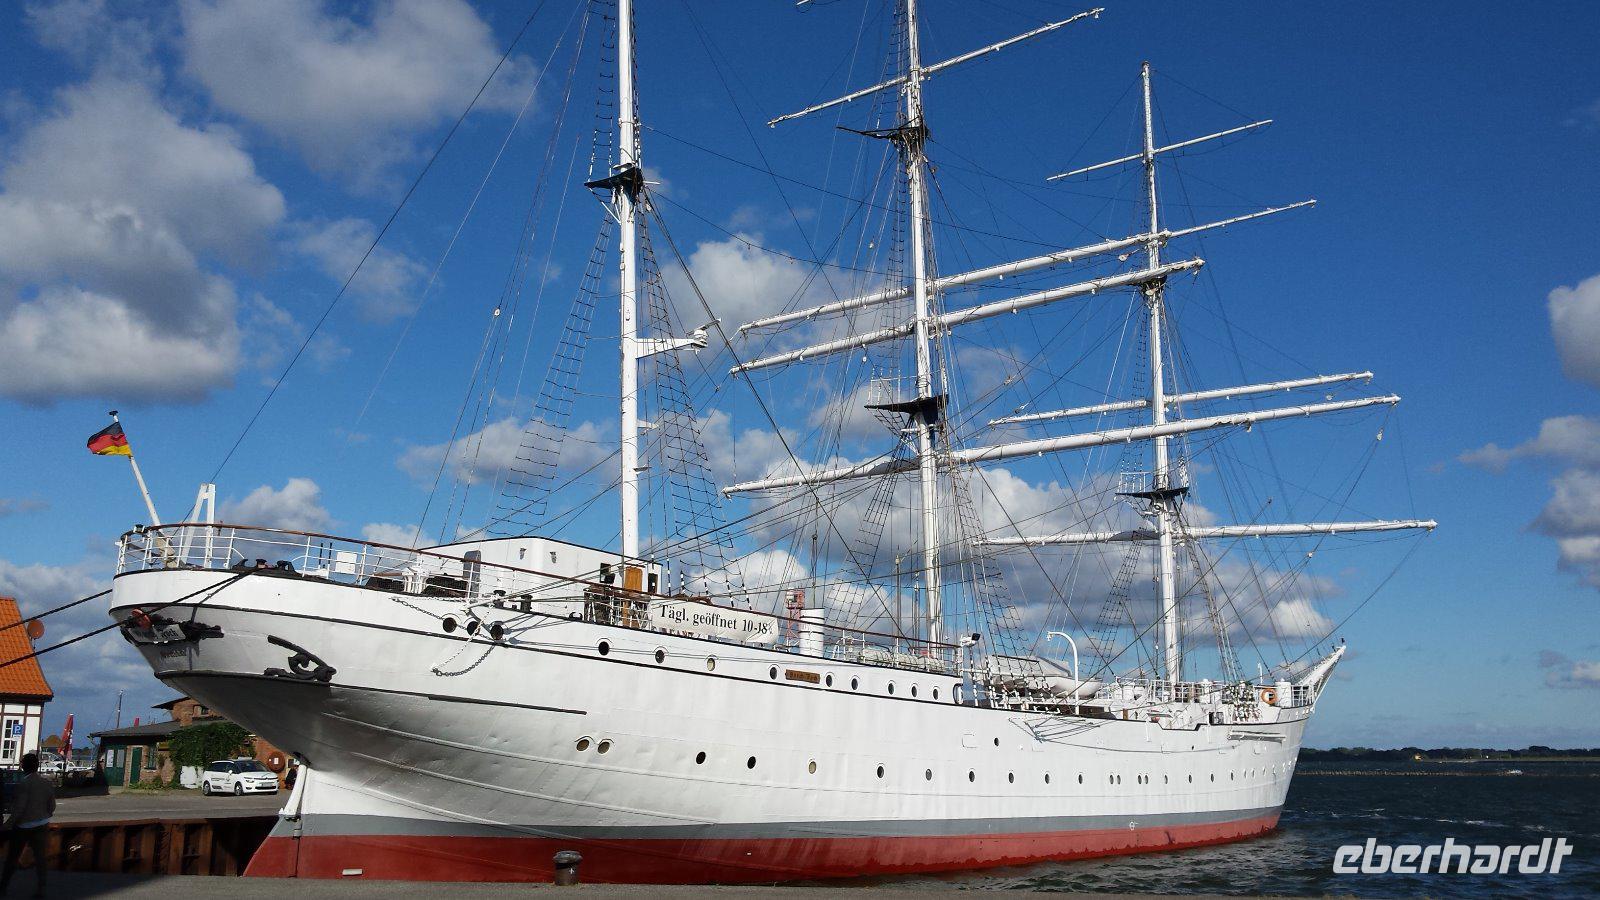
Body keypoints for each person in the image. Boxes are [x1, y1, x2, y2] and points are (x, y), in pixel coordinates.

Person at [1, 752, 53, 897]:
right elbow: (52, 805)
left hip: (24, 826)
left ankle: (3, 886)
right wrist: (45, 815)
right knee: (40, 858)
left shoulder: (24, 784)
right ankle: (42, 888)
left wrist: (7, 825)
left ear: (24, 766)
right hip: (42, 824)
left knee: (12, 857)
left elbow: (19, 809)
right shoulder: (46, 783)